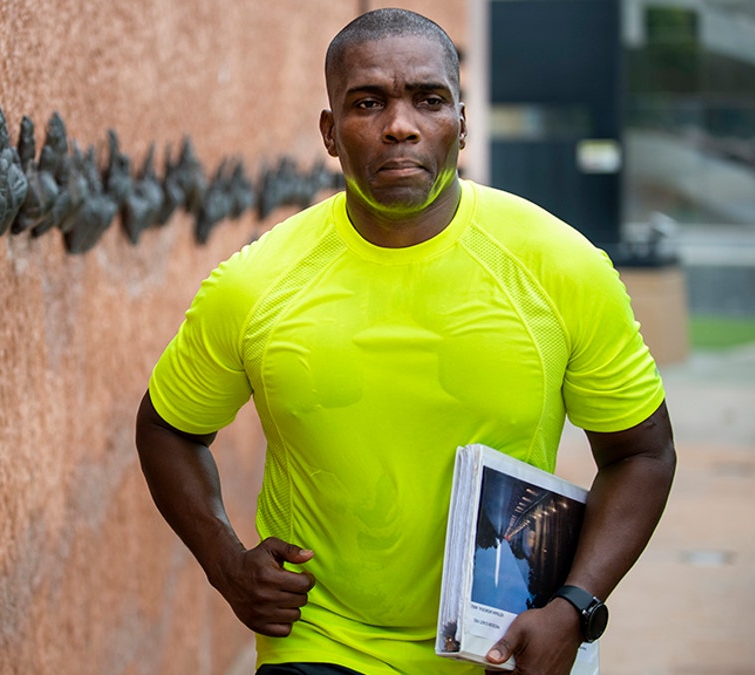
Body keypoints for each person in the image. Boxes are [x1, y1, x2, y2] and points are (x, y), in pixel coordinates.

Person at [135, 7, 676, 675]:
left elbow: (642, 454)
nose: (400, 124)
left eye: (428, 99)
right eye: (369, 102)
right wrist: (224, 560)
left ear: (462, 121)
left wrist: (575, 607)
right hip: (320, 640)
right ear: (330, 134)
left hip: (507, 645)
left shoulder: (563, 268)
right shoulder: (254, 286)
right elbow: (167, 428)